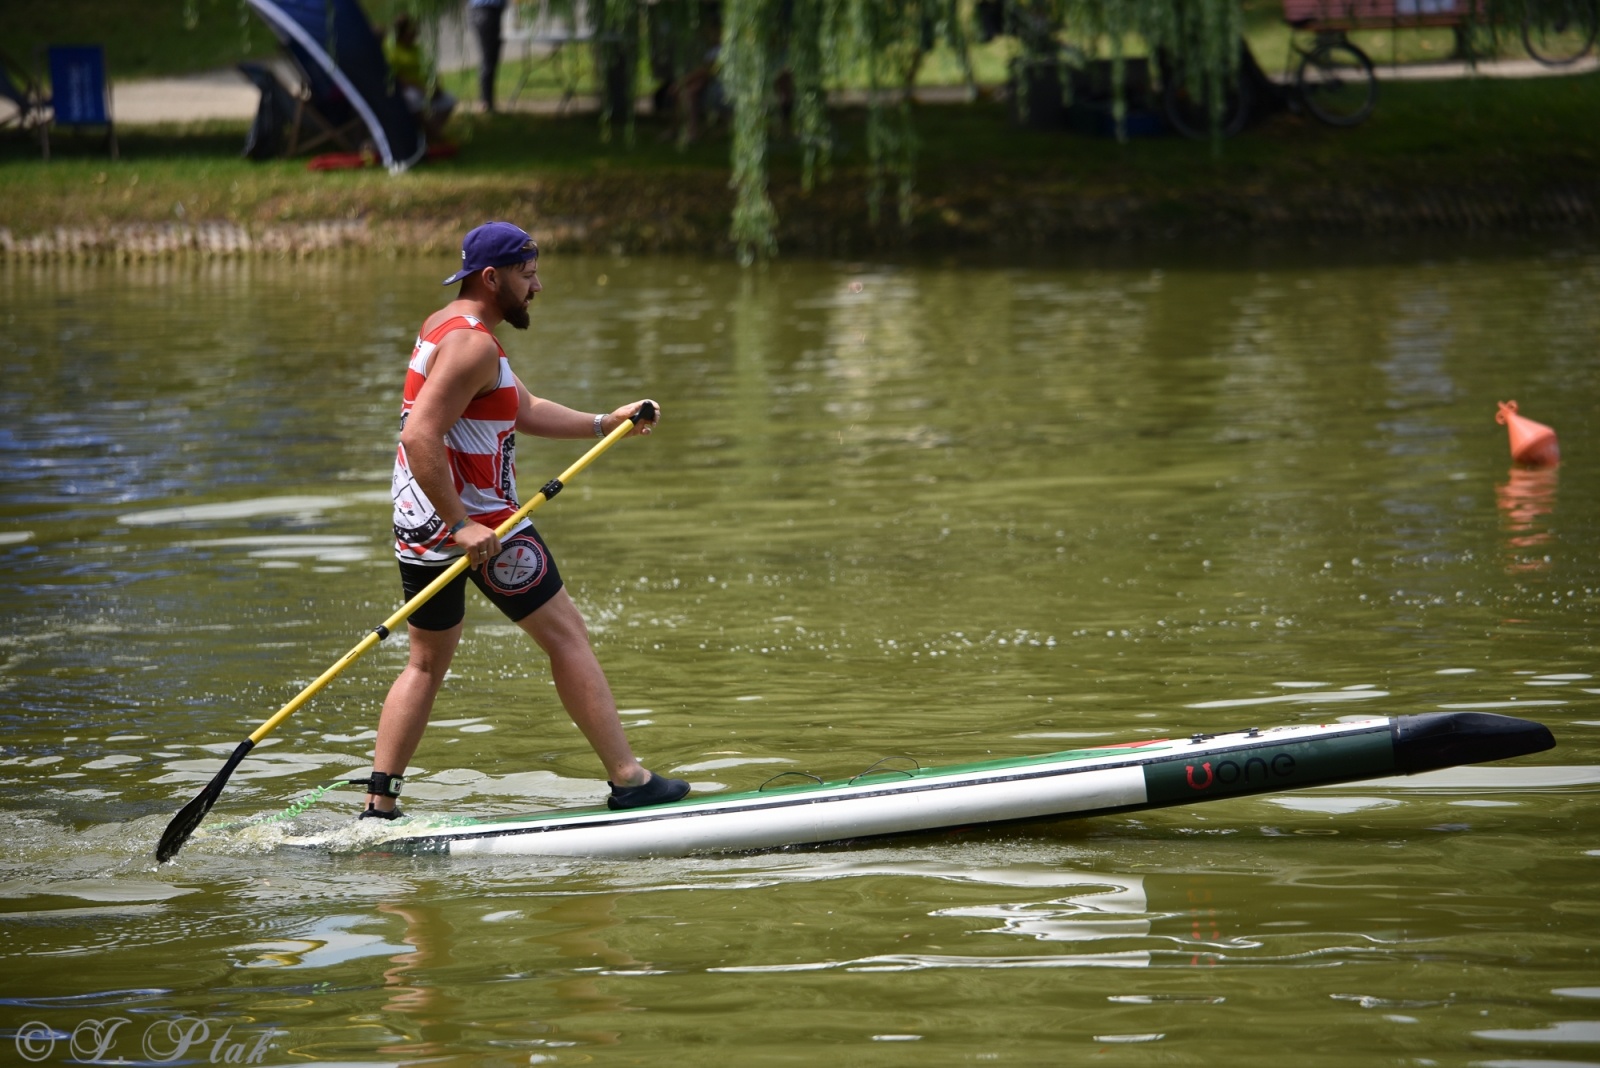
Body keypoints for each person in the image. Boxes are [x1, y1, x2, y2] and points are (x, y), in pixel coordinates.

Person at [366, 221, 690, 819]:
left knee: (425, 662)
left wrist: (604, 422)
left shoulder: (445, 326)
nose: (537, 285)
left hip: (418, 521)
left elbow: (519, 407)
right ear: (492, 278)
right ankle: (629, 779)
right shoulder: (476, 345)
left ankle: (380, 802)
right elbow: (418, 434)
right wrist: (464, 524)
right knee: (567, 636)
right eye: (528, 273)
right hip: (481, 525)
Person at [385, 14, 455, 141]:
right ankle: (434, 135)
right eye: (411, 31)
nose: (415, 34)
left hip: (424, 88)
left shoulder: (417, 49)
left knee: (449, 100)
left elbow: (429, 70)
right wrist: (420, 88)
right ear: (401, 33)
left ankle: (430, 133)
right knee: (415, 100)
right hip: (406, 89)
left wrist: (435, 86)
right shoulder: (391, 49)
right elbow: (394, 76)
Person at [468, 0, 507, 113]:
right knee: (489, 58)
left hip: (482, 12)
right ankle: (485, 101)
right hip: (487, 13)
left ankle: (487, 100)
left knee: (490, 57)